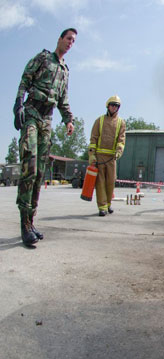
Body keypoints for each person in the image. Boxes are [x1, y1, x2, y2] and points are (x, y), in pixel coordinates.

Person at [12, 28, 77, 246]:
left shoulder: (65, 71)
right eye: (68, 38)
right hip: (31, 113)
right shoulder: (43, 58)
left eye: (73, 41)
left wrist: (69, 120)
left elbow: (63, 100)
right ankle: (24, 224)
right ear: (59, 38)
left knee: (40, 172)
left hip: (47, 121)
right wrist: (18, 104)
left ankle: (31, 221)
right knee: (29, 166)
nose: (70, 43)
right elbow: (25, 78)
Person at [88, 96, 126, 216]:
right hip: (99, 157)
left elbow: (121, 139)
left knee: (111, 182)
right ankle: (102, 207)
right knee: (100, 182)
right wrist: (92, 155)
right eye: (112, 105)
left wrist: (119, 151)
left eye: (116, 106)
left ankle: (108, 204)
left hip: (111, 158)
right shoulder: (99, 121)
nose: (114, 107)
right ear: (107, 106)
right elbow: (93, 139)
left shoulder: (121, 122)